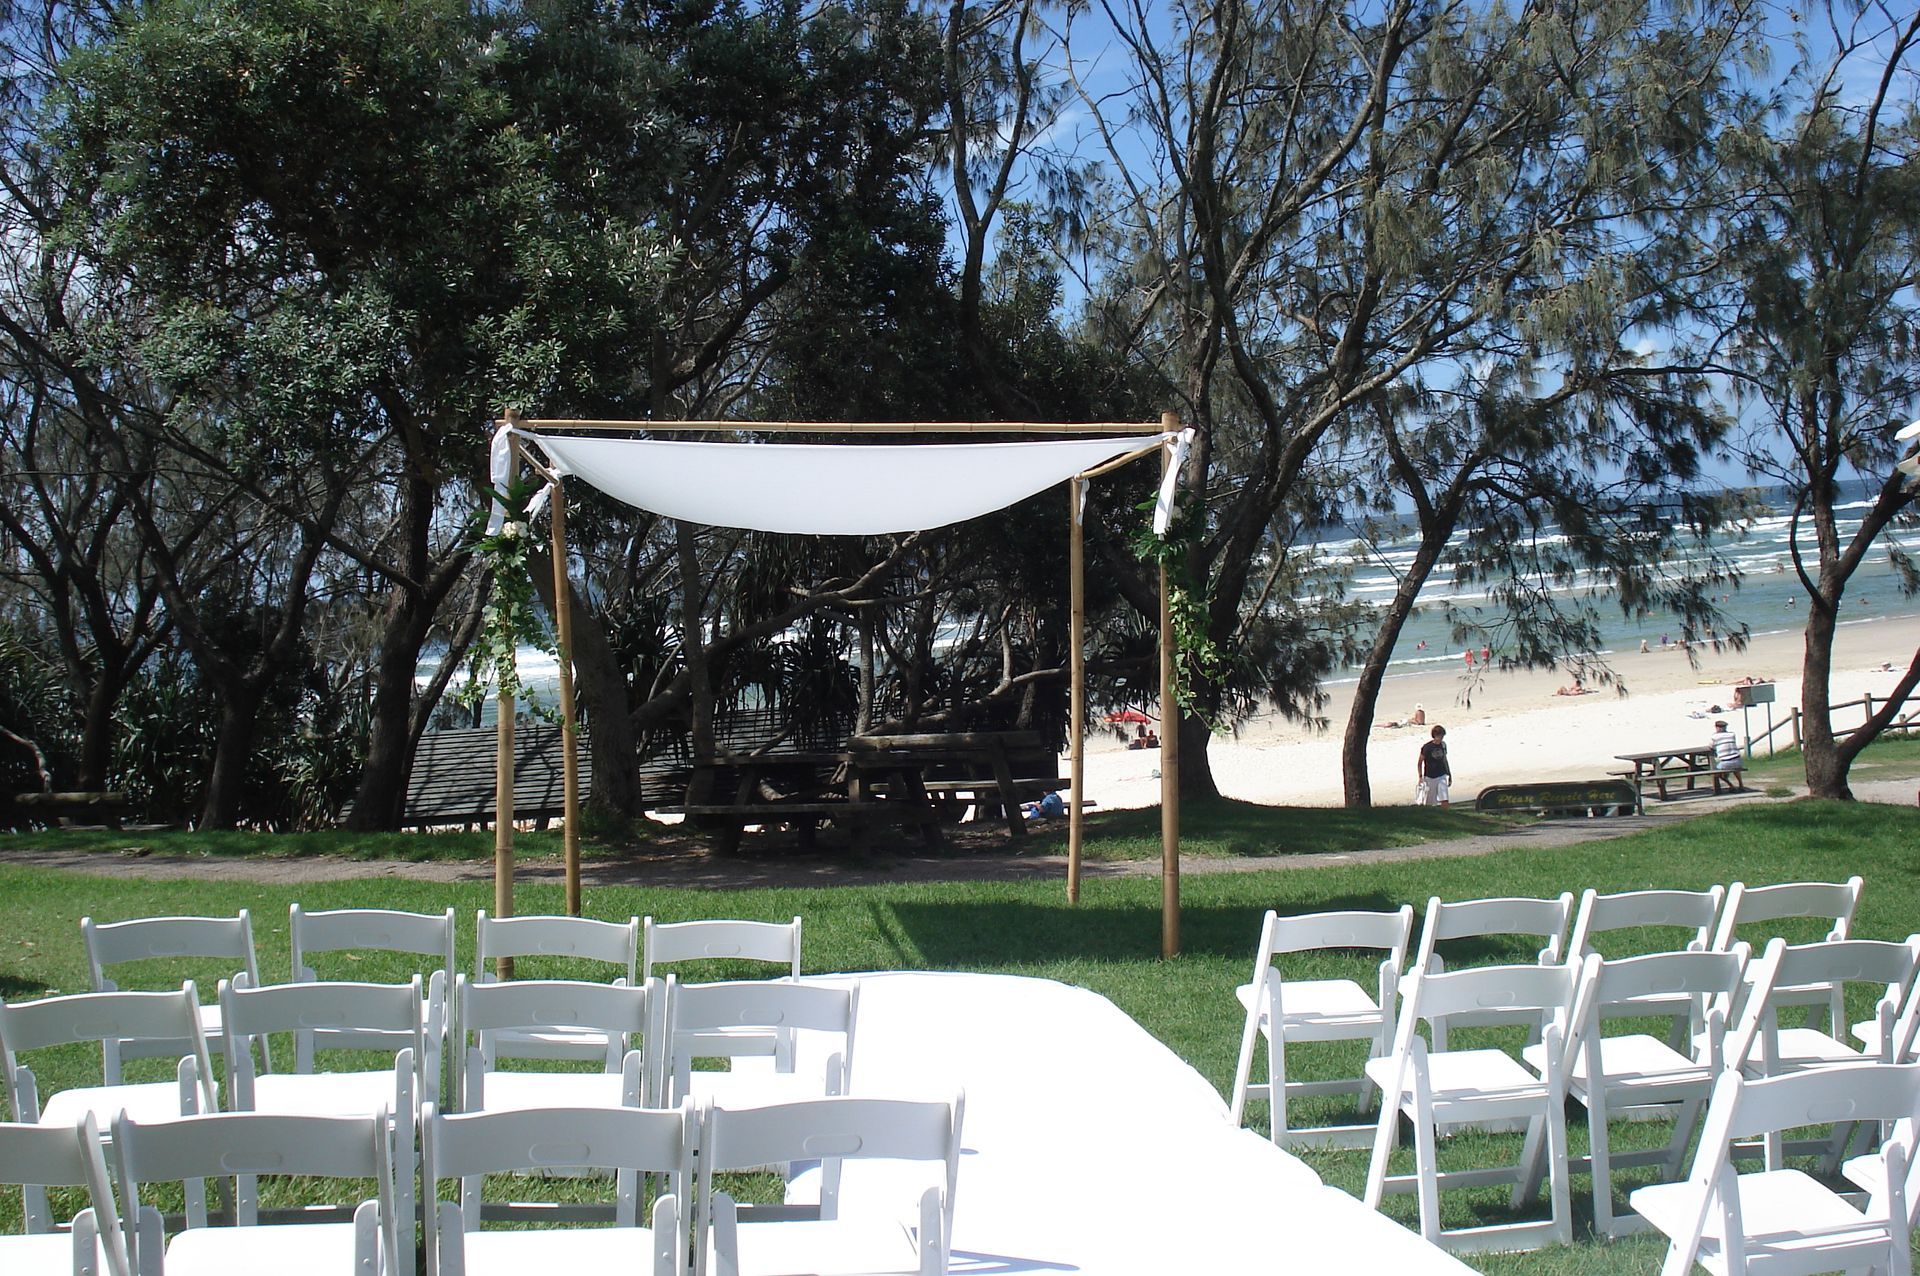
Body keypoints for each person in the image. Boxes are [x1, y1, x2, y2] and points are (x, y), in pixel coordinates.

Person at [1416, 725, 1451, 807]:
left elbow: (1445, 760)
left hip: (1442, 775)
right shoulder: (1427, 747)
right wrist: (1420, 777)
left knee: (1444, 798)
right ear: (1435, 735)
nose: (1441, 738)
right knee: (1430, 802)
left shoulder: (1443, 745)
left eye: (1442, 736)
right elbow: (1419, 762)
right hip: (1430, 777)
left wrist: (1449, 774)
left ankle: (1446, 814)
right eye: (1440, 736)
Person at [1709, 719, 1743, 792]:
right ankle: (1741, 785)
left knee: (1717, 773)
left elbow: (1711, 746)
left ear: (1717, 727)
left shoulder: (1714, 736)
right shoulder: (1732, 734)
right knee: (1735, 769)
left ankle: (1731, 786)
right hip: (1738, 760)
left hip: (1725, 762)